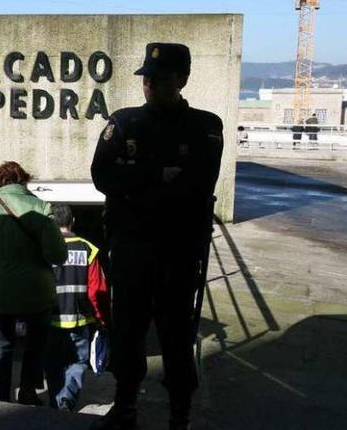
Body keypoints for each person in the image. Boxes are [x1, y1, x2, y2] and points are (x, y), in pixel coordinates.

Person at [90, 43, 223, 430]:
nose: (150, 85)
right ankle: (125, 403)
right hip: (131, 248)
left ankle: (179, 413)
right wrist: (155, 175)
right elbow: (102, 176)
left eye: (160, 79)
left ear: (182, 80)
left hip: (177, 250)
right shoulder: (125, 121)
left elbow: (197, 183)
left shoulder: (204, 126)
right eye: (147, 78)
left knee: (176, 335)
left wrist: (133, 184)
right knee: (127, 330)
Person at [0, 161, 67, 405]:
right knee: (36, 343)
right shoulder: (42, 208)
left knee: (0, 345)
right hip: (36, 291)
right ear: (24, 182)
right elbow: (58, 255)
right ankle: (28, 392)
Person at [43, 204, 110, 412]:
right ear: (72, 222)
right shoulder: (87, 249)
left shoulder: (43, 249)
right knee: (77, 362)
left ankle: (55, 399)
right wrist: (102, 319)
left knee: (53, 362)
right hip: (81, 321)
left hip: (51, 320)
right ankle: (67, 399)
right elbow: (97, 290)